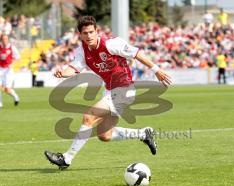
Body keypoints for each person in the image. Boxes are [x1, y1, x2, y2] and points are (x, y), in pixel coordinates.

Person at [44, 16, 171, 170]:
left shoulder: (111, 43)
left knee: (89, 116)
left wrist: (156, 70)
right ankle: (143, 134)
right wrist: (62, 73)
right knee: (104, 135)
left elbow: (136, 53)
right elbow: (74, 68)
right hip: (110, 91)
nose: (89, 36)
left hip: (124, 89)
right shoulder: (82, 51)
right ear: (80, 35)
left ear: (97, 31)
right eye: (85, 33)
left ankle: (67, 158)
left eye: (91, 32)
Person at [0, 34, 20, 108]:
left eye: (5, 39)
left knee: (7, 89)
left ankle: (16, 97)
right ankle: (0, 103)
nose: (4, 40)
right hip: (0, 68)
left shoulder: (12, 47)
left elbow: (17, 57)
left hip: (8, 70)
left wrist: (12, 63)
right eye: (3, 39)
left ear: (8, 39)